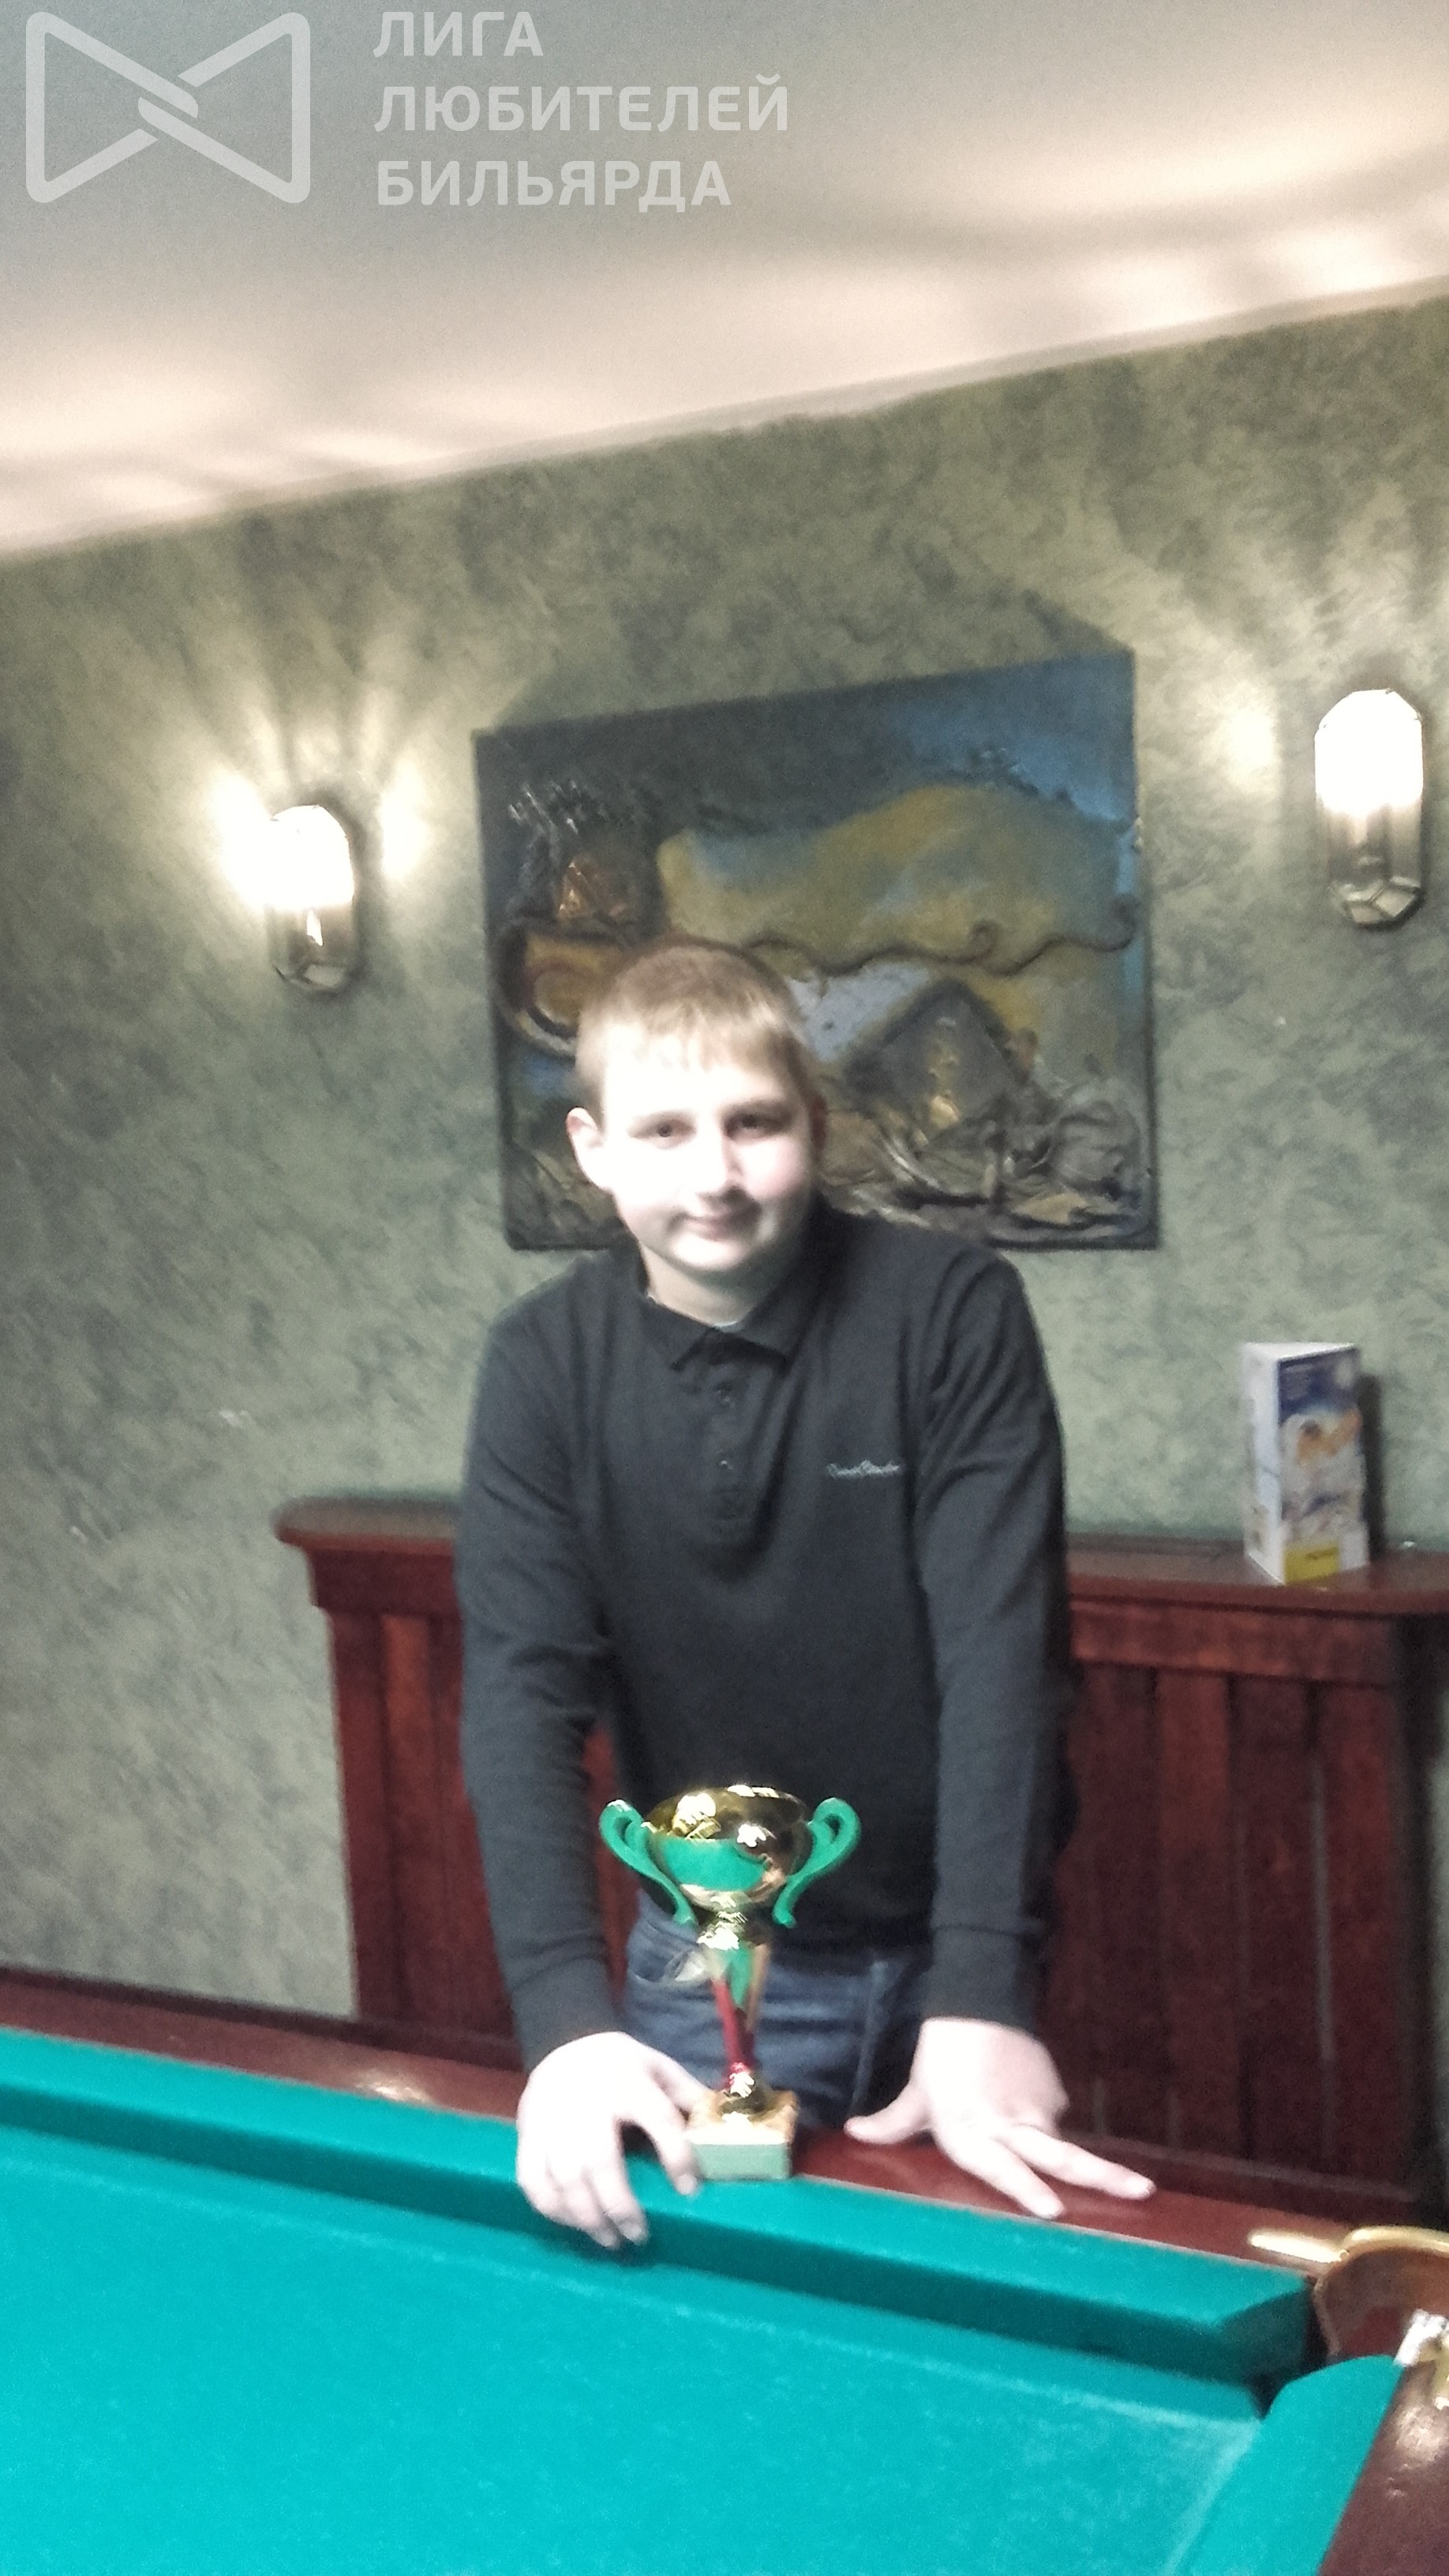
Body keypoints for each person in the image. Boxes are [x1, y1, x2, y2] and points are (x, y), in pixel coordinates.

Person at [456, 937, 1151, 2248]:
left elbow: (1002, 1657)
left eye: (753, 1124)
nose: (713, 1178)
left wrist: (982, 1985)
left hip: (957, 1952)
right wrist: (565, 2028)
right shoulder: (541, 1364)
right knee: (698, 2324)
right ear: (593, 1149)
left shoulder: (952, 1309)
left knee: (971, 2301)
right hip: (703, 1969)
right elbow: (519, 1696)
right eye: (664, 1131)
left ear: (816, 1127)